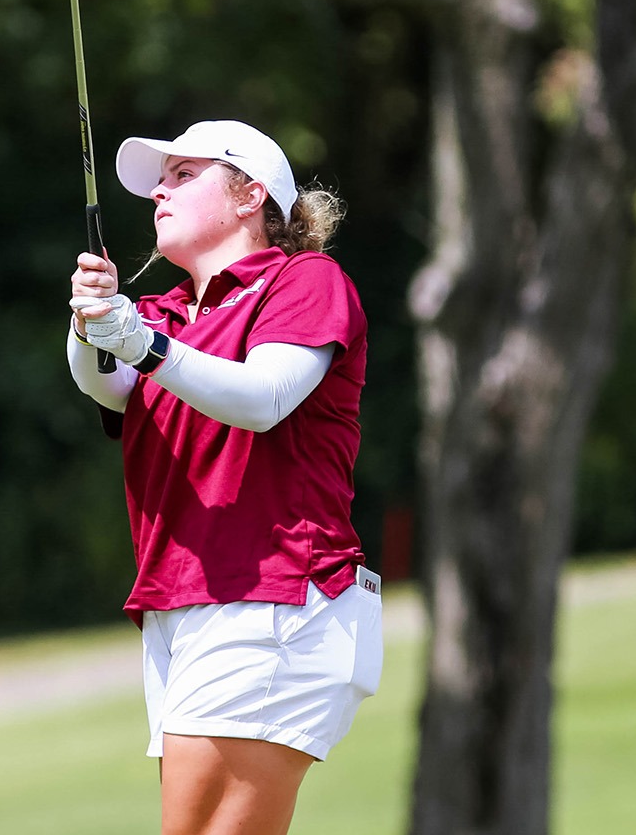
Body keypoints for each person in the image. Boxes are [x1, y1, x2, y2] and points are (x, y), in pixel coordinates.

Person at [65, 119, 382, 835]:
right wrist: (92, 323)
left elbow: (263, 399)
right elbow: (104, 385)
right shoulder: (168, 313)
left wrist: (139, 344)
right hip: (186, 606)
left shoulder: (305, 280)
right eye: (159, 181)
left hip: (274, 596)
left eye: (183, 175)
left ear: (250, 196)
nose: (159, 193)